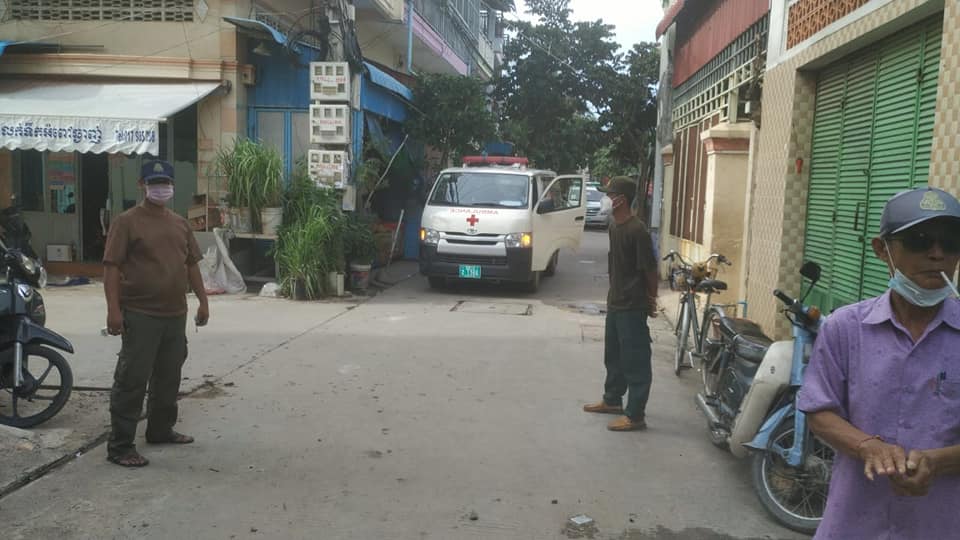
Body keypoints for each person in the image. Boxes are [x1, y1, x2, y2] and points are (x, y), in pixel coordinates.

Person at [799, 187, 960, 539]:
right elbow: (819, 411)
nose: (937, 254)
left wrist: (939, 461)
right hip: (853, 523)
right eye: (919, 241)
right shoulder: (845, 328)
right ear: (881, 249)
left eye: (951, 243)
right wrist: (867, 446)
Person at [103, 159, 209, 467]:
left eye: (165, 183)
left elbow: (191, 265)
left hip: (175, 314)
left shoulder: (179, 223)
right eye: (155, 183)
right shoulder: (127, 222)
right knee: (132, 379)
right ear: (142, 185)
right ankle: (120, 446)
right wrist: (113, 311)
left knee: (168, 377)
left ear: (172, 186)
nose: (161, 188)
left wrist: (203, 301)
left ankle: (161, 429)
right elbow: (111, 268)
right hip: (140, 313)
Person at [583, 176, 659, 431]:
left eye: (609, 195)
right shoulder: (614, 226)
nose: (605, 199)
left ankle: (635, 414)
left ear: (621, 200)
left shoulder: (637, 231)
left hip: (632, 305)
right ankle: (612, 400)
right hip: (615, 302)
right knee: (613, 356)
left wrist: (651, 299)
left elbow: (649, 270)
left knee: (635, 360)